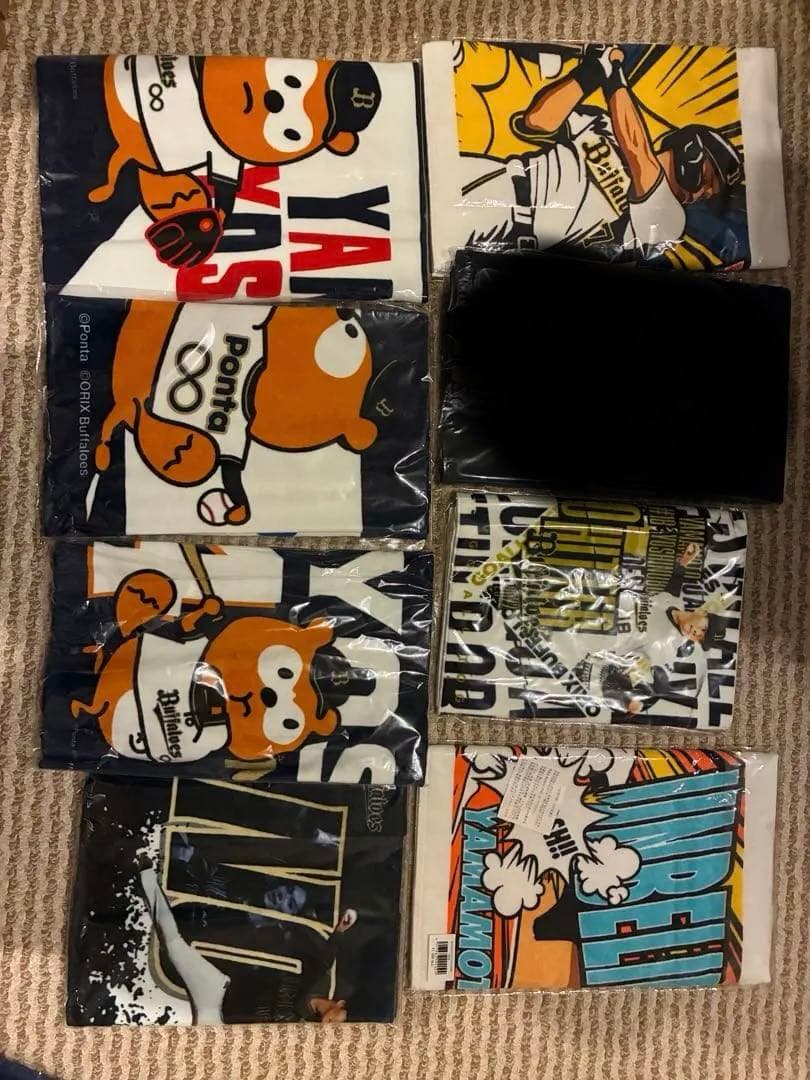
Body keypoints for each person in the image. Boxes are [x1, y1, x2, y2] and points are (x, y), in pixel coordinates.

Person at [457, 44, 743, 259]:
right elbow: (537, 121)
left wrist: (614, 74)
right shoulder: (603, 123)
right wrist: (590, 72)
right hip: (499, 177)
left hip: (514, 238)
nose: (701, 194)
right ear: (691, 152)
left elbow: (637, 150)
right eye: (707, 181)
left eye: (708, 194)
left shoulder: (669, 220)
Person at [139, 864, 358, 1024]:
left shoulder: (304, 1025)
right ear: (340, 1004)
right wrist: (340, 930)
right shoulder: (316, 983)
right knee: (175, 946)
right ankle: (145, 875)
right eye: (343, 1021)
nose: (336, 1027)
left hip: (228, 1016)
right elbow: (324, 959)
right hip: (221, 988)